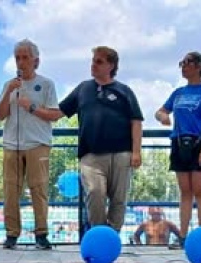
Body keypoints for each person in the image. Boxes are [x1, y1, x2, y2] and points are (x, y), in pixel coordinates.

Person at [33, 46, 143, 231]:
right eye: (93, 61)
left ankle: (112, 237)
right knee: (94, 193)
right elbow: (57, 113)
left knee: (119, 199)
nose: (93, 65)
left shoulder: (125, 91)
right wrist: (31, 107)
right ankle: (99, 233)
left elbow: (136, 121)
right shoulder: (83, 88)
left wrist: (136, 152)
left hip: (121, 154)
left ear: (111, 65)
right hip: (90, 156)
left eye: (99, 61)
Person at [154, 51, 201, 249]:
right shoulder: (178, 93)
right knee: (185, 191)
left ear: (199, 67)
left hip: (199, 143)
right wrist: (163, 117)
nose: (184, 67)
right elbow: (160, 111)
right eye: (181, 63)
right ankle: (183, 236)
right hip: (179, 143)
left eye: (188, 63)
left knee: (200, 191)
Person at [0, 39, 58, 250]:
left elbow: (54, 114)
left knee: (38, 189)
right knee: (11, 190)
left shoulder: (47, 84)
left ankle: (41, 234)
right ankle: (11, 233)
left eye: (25, 58)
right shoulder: (9, 84)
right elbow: (0, 114)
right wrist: (8, 93)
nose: (20, 62)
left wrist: (30, 106)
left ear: (36, 61)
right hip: (12, 144)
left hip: (37, 143)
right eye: (17, 58)